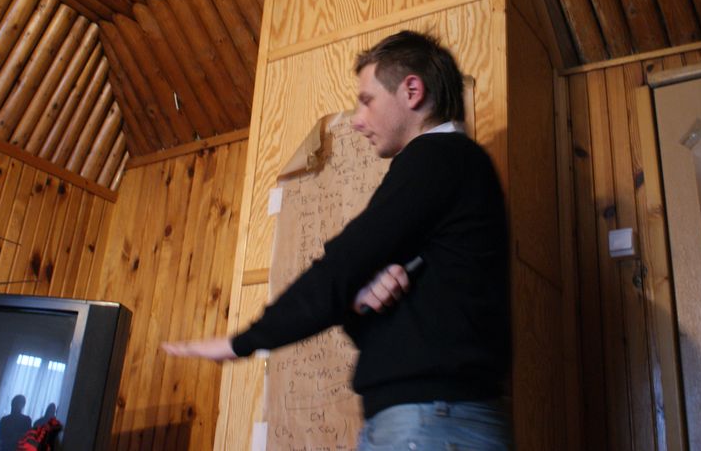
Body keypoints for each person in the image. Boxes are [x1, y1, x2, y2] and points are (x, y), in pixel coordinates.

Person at [164, 30, 513, 449]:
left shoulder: (439, 157)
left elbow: (345, 262)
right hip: (428, 419)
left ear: (412, 90)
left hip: (430, 421)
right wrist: (358, 299)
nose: (358, 120)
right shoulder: (454, 170)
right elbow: (362, 286)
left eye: (367, 100)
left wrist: (240, 342)